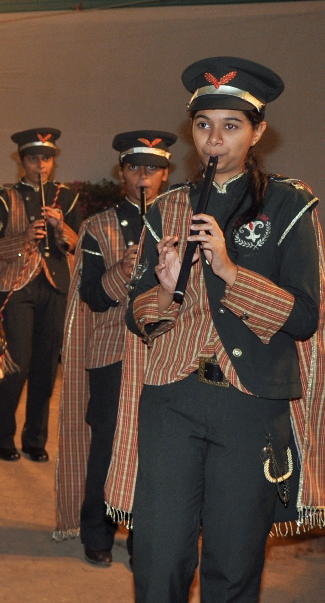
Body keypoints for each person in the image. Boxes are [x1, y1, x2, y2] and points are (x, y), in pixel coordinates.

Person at [105, 57, 325, 602]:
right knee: (158, 555)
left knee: (232, 561)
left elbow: (304, 317)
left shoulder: (288, 204)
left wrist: (229, 271)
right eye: (204, 126)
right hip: (171, 398)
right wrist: (164, 289)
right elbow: (138, 315)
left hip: (249, 403)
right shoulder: (169, 206)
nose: (215, 140)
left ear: (257, 132)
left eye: (231, 126)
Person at [54, 130, 175, 567]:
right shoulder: (97, 226)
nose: (144, 176)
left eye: (153, 168)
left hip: (163, 352)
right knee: (105, 444)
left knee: (156, 448)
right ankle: (97, 532)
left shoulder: (178, 222)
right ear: (121, 172)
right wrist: (120, 272)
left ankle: (145, 533)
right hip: (110, 353)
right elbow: (91, 295)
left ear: (165, 173)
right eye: (134, 167)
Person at [0, 128, 82, 462]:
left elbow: (78, 243)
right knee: (16, 365)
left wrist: (60, 228)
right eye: (34, 158)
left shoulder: (66, 197)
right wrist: (25, 236)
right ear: (21, 161)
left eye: (47, 158)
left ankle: (35, 439)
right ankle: (2, 436)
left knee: (46, 367)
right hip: (17, 285)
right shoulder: (4, 198)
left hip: (55, 286)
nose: (41, 164)